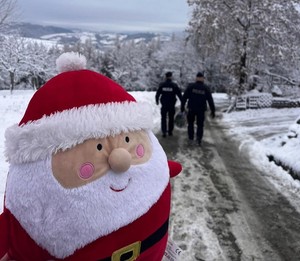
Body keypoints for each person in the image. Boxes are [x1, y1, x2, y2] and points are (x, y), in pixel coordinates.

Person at [181, 72, 215, 146]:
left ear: (196, 78)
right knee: (200, 125)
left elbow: (184, 97)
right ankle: (198, 140)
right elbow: (210, 100)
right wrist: (213, 110)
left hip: (191, 109)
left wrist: (182, 107)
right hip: (201, 110)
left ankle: (191, 138)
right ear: (203, 78)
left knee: (190, 124)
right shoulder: (205, 88)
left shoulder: (191, 87)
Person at [155, 71, 182, 137]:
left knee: (163, 118)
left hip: (164, 104)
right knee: (171, 118)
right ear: (171, 77)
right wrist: (182, 102)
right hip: (171, 105)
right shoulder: (174, 85)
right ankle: (170, 131)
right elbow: (179, 94)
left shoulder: (162, 85)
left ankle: (164, 131)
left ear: (165, 77)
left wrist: (157, 101)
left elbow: (158, 94)